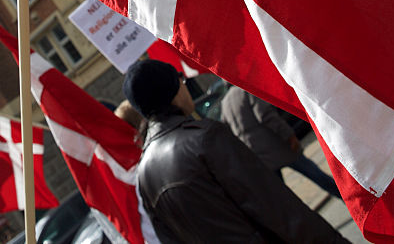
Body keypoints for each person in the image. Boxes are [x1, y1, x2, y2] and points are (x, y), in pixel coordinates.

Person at [123, 59, 348, 243]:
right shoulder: (205, 138)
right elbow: (277, 208)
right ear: (171, 91)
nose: (185, 87)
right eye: (180, 81)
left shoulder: (144, 176)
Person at [219, 86, 342, 199]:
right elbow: (266, 115)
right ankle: (343, 196)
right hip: (277, 145)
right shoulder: (246, 90)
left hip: (259, 157)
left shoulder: (224, 105)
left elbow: (228, 134)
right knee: (315, 174)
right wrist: (289, 135)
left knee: (282, 196)